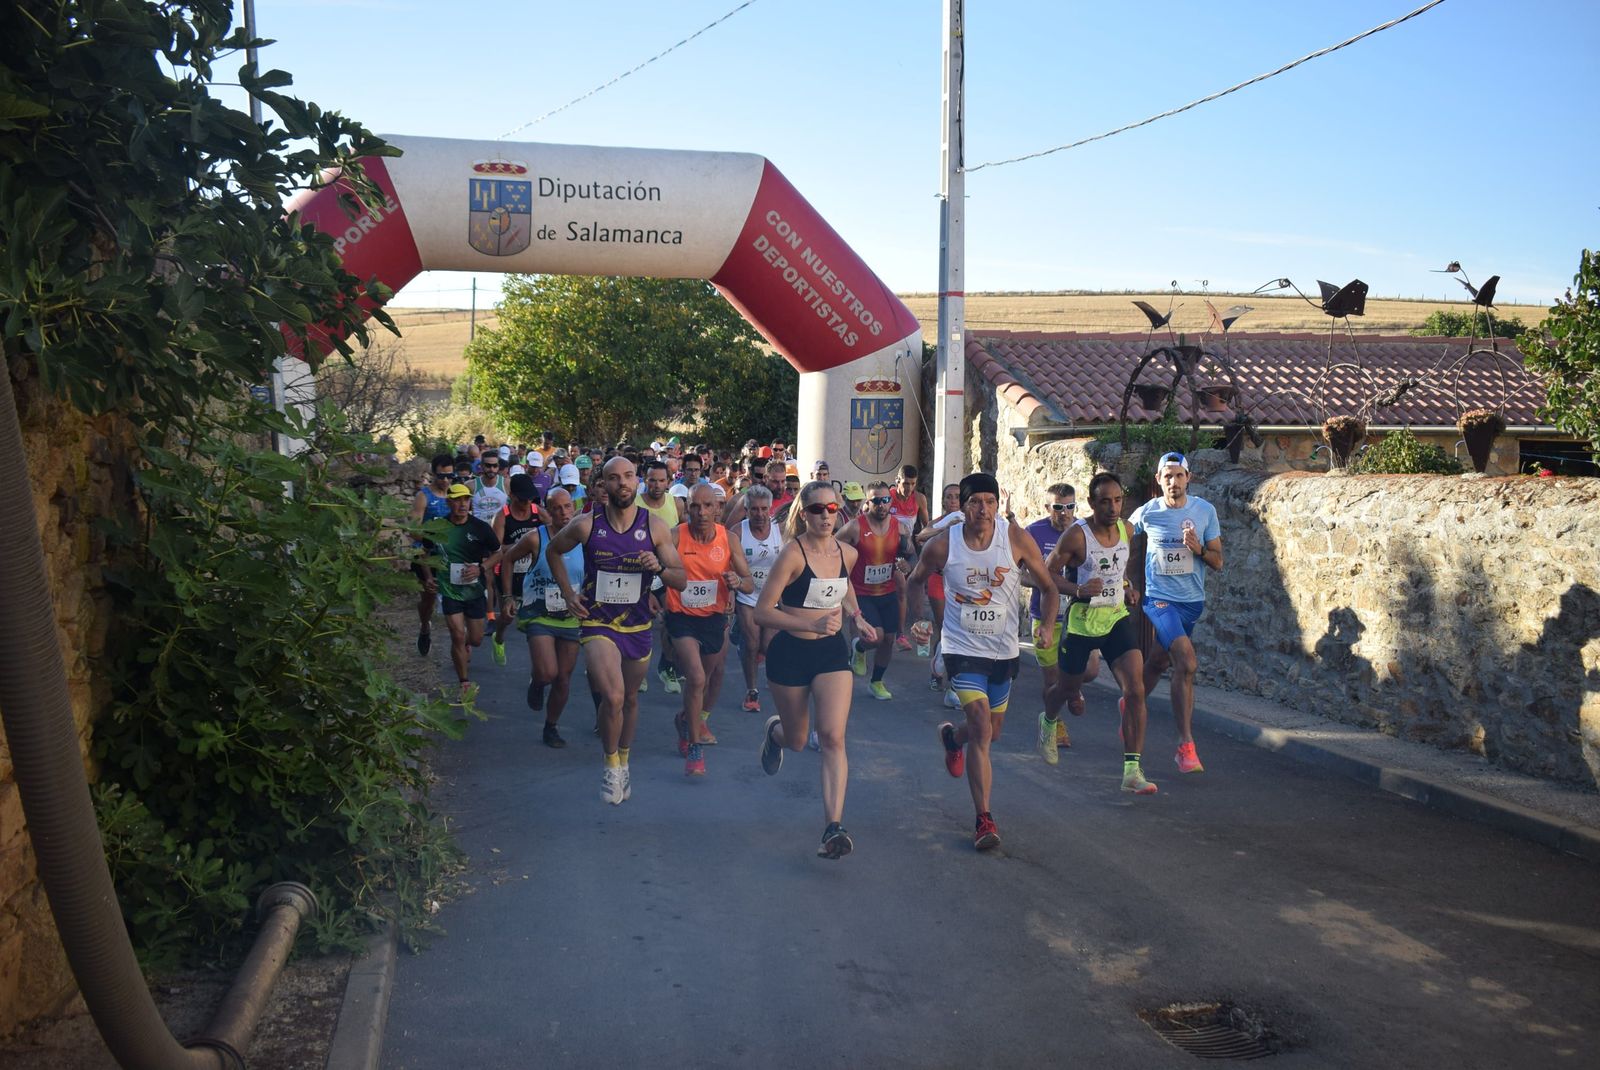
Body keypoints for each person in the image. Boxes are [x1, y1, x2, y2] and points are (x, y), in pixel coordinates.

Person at [910, 473, 1056, 852]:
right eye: (976, 502)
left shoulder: (1014, 538)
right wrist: (918, 620)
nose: (984, 509)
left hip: (1003, 651)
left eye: (990, 501)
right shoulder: (944, 546)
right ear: (963, 506)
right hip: (960, 646)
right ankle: (983, 818)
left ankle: (951, 738)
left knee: (991, 731)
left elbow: (1049, 586)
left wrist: (1048, 627)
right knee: (980, 725)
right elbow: (914, 581)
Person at [546, 457, 687, 805]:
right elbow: (552, 551)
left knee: (631, 698)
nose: (622, 483)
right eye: (614, 478)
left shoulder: (654, 527)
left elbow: (680, 579)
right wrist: (568, 593)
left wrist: (659, 569)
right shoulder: (585, 525)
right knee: (614, 697)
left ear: (636, 482)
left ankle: (624, 759)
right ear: (604, 485)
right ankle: (610, 765)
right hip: (597, 621)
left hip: (638, 624)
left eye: (627, 477)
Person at [755, 481, 877, 859]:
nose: (826, 515)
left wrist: (856, 617)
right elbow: (763, 610)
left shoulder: (849, 553)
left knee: (832, 737)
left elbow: (843, 588)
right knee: (796, 739)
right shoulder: (792, 555)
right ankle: (774, 733)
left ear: (840, 511)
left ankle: (833, 827)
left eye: (831, 508)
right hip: (789, 653)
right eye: (817, 509)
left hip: (830, 654)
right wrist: (808, 625)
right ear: (803, 514)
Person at [1043, 472, 1157, 793]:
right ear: (1091, 503)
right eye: (1104, 501)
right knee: (1066, 689)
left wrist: (1128, 588)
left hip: (1116, 619)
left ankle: (1132, 771)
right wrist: (1078, 589)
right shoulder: (1076, 537)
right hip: (1082, 622)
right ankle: (1049, 720)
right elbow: (1047, 575)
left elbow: (1117, 573)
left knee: (1135, 689)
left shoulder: (1128, 530)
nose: (1112, 507)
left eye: (1118, 500)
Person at [1129, 451, 1223, 775]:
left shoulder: (1204, 511)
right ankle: (1185, 746)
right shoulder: (1147, 512)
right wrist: (1124, 579)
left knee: (1158, 660)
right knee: (1187, 661)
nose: (1173, 481)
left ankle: (1130, 702)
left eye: (1178, 475)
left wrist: (1198, 549)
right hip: (1158, 600)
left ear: (1188, 478)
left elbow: (1218, 561)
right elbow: (1119, 537)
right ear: (1158, 480)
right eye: (1167, 476)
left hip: (1191, 602)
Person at [667, 484, 755, 775]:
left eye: (708, 506)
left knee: (703, 680)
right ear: (686, 508)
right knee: (695, 677)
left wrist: (736, 582)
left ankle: (685, 719)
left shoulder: (728, 539)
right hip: (681, 617)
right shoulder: (674, 536)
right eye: (695, 506)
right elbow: (657, 573)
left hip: (713, 619)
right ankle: (695, 746)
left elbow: (749, 582)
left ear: (718, 509)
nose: (701, 512)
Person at [500, 486, 582, 748]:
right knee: (547, 672)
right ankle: (537, 683)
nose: (563, 512)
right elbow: (508, 559)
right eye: (556, 508)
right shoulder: (537, 538)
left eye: (567, 506)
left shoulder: (584, 538)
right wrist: (508, 596)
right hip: (539, 614)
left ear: (574, 507)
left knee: (563, 678)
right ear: (547, 511)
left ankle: (551, 726)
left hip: (571, 616)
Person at [1023, 484, 1097, 750]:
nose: (1064, 513)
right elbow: (1019, 573)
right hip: (1045, 617)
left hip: (1081, 614)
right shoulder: (1033, 532)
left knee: (1091, 670)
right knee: (1052, 679)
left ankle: (1073, 686)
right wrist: (1047, 583)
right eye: (1058, 507)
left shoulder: (1085, 531)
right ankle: (1055, 722)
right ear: (1047, 508)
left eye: (1070, 507)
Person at [419, 482, 502, 702]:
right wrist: (428, 577)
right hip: (449, 590)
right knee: (456, 635)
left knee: (475, 640)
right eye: (457, 500)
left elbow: (498, 553)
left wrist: (481, 568)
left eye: (466, 500)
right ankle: (464, 682)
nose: (462, 504)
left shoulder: (480, 528)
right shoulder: (437, 527)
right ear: (449, 503)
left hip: (474, 591)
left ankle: (466, 644)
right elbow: (424, 554)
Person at [836, 481, 912, 701]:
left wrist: (908, 564)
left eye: (885, 500)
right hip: (861, 592)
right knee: (875, 637)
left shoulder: (900, 527)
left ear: (890, 501)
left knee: (888, 639)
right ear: (867, 503)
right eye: (876, 501)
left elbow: (911, 553)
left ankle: (876, 682)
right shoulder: (855, 527)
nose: (881, 505)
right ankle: (859, 647)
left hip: (887, 591)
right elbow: (831, 547)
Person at [733, 484, 783, 713]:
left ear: (770, 509)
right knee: (752, 644)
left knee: (767, 645)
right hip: (747, 595)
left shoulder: (778, 530)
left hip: (771, 596)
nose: (760, 514)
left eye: (764, 509)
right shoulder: (737, 532)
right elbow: (725, 563)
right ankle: (751, 691)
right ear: (746, 509)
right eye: (754, 509)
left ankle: (747, 649)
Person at [490, 473, 543, 668]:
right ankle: (499, 636)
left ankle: (538, 659)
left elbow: (554, 532)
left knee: (535, 617)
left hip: (531, 573)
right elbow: (496, 548)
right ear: (511, 495)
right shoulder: (502, 516)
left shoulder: (538, 512)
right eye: (522, 499)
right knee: (507, 614)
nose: (526, 503)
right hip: (506, 570)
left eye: (530, 498)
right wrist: (522, 545)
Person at [917, 482, 962, 696]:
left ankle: (954, 679)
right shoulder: (940, 521)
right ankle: (938, 674)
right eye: (949, 497)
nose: (953, 500)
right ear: (943, 501)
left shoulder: (969, 520)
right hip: (938, 579)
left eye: (957, 497)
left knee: (957, 630)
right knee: (946, 627)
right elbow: (921, 536)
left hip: (960, 582)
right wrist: (946, 526)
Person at [408, 455, 456, 655]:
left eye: (449, 476)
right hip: (426, 556)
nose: (445, 480)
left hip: (451, 556)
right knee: (428, 599)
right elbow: (412, 530)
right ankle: (425, 625)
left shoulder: (457, 495)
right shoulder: (424, 496)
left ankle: (460, 643)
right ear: (433, 474)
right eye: (441, 476)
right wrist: (435, 534)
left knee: (456, 600)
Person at [889, 465, 930, 650]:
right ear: (897, 480)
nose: (908, 488)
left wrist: (923, 539)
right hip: (887, 549)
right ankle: (898, 634)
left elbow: (926, 525)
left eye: (912, 484)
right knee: (900, 588)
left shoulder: (919, 499)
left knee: (912, 590)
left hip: (908, 550)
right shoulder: (888, 496)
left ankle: (913, 635)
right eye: (905, 483)